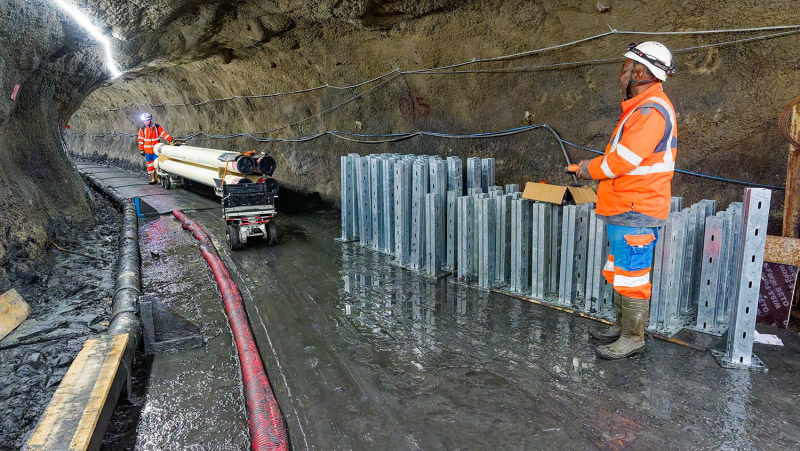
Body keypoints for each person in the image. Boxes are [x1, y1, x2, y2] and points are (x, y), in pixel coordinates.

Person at [575, 42, 677, 360]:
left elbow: (622, 161)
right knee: (622, 269)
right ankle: (622, 327)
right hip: (626, 207)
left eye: (626, 69)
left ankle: (633, 337)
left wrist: (585, 169)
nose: (621, 75)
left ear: (641, 73)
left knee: (632, 274)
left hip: (637, 208)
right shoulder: (640, 108)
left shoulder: (650, 111)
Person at [137, 112, 180, 184]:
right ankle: (153, 179)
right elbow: (140, 140)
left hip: (156, 151)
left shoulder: (157, 127)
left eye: (147, 120)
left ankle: (159, 180)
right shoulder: (143, 129)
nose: (145, 122)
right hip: (147, 152)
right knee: (150, 166)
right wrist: (141, 150)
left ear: (150, 120)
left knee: (157, 165)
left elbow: (164, 134)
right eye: (144, 121)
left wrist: (171, 139)